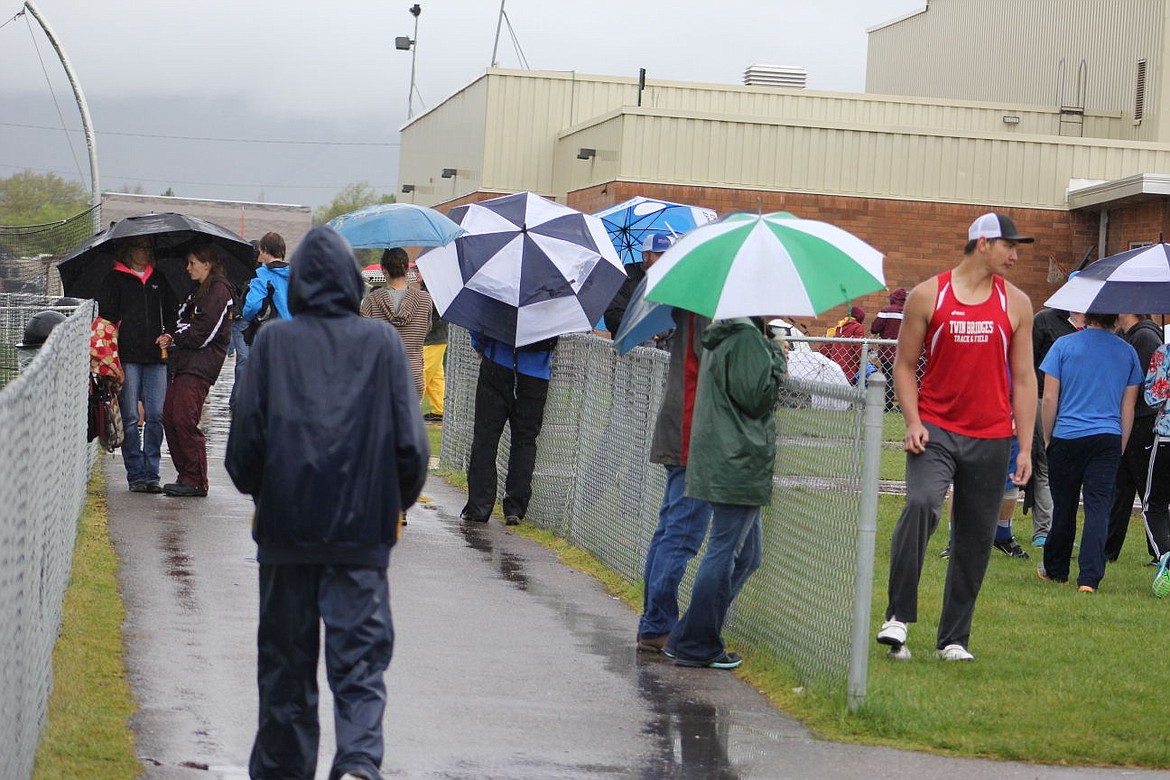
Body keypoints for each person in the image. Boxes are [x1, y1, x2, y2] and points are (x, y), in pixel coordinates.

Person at [226, 225, 428, 780]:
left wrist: (260, 492)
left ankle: (283, 769)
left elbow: (244, 448)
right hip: (360, 534)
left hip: (286, 532)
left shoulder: (272, 345)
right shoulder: (382, 345)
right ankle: (359, 765)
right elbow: (410, 446)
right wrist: (392, 507)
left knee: (286, 669)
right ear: (347, 283)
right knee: (360, 664)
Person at [877, 212, 1035, 663]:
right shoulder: (929, 295)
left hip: (991, 436)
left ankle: (953, 639)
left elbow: (1024, 379)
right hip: (937, 429)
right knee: (921, 503)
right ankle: (898, 618)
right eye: (1009, 245)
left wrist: (1024, 446)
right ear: (983, 244)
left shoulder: (1017, 303)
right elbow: (904, 366)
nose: (1015, 255)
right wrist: (912, 421)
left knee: (976, 535)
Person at [665, 316, 787, 669]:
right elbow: (755, 397)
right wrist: (778, 358)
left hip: (725, 455)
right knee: (725, 551)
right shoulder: (746, 337)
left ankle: (688, 634)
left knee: (749, 556)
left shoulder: (731, 333)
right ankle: (698, 643)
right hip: (737, 458)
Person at [1038, 312, 1142, 592]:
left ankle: (1056, 570)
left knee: (1064, 505)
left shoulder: (1063, 345)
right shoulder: (1128, 352)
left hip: (1067, 434)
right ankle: (1090, 578)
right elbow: (1128, 407)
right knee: (1098, 507)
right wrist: (1119, 445)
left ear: (1087, 315)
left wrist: (1048, 435)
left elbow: (1049, 397)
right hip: (1107, 436)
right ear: (1115, 318)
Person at [636, 309, 713, 653]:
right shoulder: (708, 310)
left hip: (683, 424)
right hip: (691, 430)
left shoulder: (693, 304)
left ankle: (655, 620)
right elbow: (717, 368)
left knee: (670, 529)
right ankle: (658, 623)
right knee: (681, 533)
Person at [98, 235, 178, 493]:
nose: (145, 252)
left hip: (156, 358)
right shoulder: (115, 279)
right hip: (127, 358)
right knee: (131, 416)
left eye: (148, 248)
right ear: (128, 250)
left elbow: (173, 311)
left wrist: (170, 334)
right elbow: (106, 319)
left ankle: (152, 472)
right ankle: (136, 474)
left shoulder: (159, 279)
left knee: (156, 415)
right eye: (140, 247)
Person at [156, 242, 234, 497]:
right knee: (169, 416)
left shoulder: (220, 291)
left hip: (201, 365)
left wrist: (176, 337)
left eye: (192, 263)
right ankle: (185, 475)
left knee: (183, 418)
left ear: (207, 264)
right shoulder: (198, 291)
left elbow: (203, 333)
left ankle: (196, 479)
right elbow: (181, 320)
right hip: (184, 363)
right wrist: (173, 333)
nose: (188, 268)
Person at [460, 332, 556, 526]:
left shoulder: (502, 299)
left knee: (485, 437)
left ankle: (480, 506)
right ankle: (515, 507)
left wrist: (480, 345)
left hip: (497, 361)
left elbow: (480, 320)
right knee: (525, 440)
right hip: (535, 372)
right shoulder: (552, 301)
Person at [1105, 313, 1165, 563]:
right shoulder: (1126, 336)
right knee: (1121, 487)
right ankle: (1109, 549)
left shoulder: (1145, 337)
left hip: (1143, 421)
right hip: (1130, 419)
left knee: (1146, 489)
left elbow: (1144, 386)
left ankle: (1159, 550)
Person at [1030, 301, 1083, 547]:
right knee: (1046, 463)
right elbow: (1029, 361)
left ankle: (1060, 531)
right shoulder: (1045, 321)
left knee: (1068, 470)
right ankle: (1044, 529)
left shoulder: (1096, 325)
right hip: (1043, 398)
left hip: (1075, 403)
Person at [361, 248, 431, 399]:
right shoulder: (425, 301)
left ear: (383, 269)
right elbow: (425, 331)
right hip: (413, 377)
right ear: (407, 268)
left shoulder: (371, 301)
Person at [603, 232, 672, 334]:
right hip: (632, 347)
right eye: (658, 254)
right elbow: (613, 317)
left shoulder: (671, 282)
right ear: (645, 256)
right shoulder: (625, 279)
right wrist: (644, 325)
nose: (663, 259)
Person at [1143, 341, 1170, 573]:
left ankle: (1165, 556)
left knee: (1154, 504)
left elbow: (1153, 398)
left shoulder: (1164, 353)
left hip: (1166, 437)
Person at [228, 239, 260, 392]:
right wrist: (237, 312)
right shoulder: (237, 271)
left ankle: (242, 395)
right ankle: (238, 398)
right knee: (244, 359)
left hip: (255, 321)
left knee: (250, 360)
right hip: (241, 320)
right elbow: (233, 292)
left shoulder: (261, 273)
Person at [870, 288, 907, 410]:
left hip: (887, 351)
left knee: (888, 376)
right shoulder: (910, 312)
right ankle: (903, 405)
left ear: (893, 298)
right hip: (905, 351)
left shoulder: (886, 311)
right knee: (904, 378)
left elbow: (875, 328)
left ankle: (887, 403)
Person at [419, 268, 447, 422]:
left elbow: (433, 318)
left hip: (433, 339)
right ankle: (440, 410)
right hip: (435, 338)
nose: (416, 274)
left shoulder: (432, 293)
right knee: (435, 376)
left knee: (422, 372)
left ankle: (408, 406)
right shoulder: (430, 291)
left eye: (419, 271)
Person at [819, 305, 866, 384]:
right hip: (849, 365)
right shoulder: (858, 327)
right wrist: (863, 360)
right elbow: (859, 347)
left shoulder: (840, 326)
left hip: (835, 364)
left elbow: (827, 347)